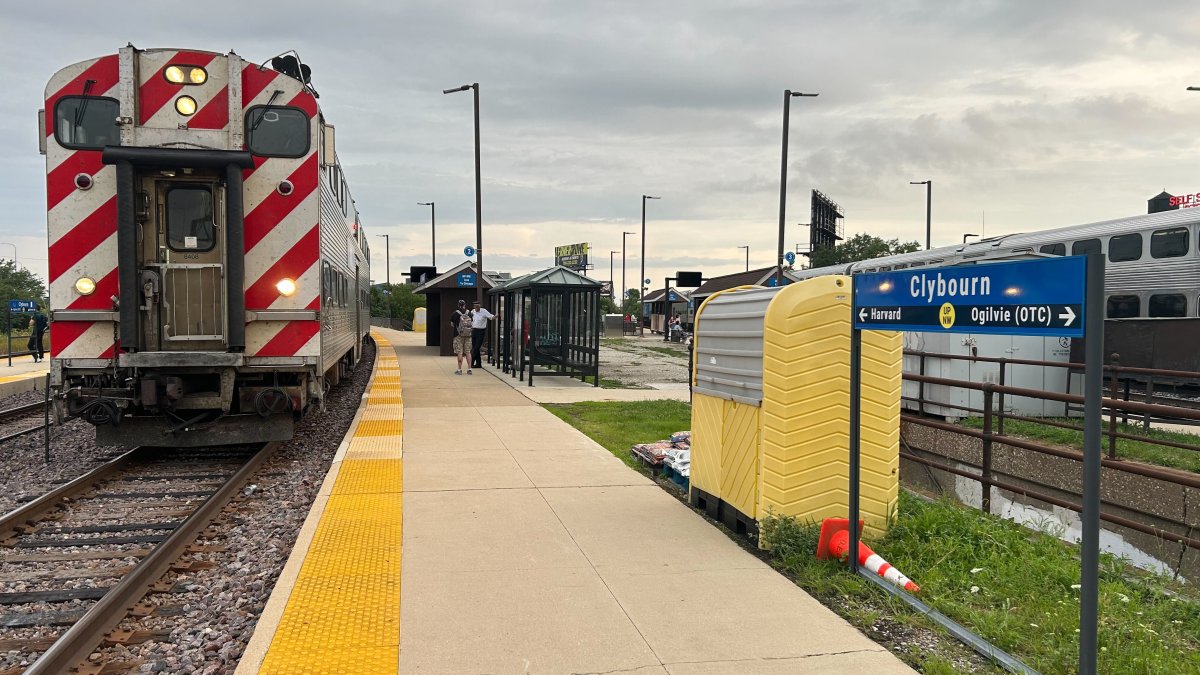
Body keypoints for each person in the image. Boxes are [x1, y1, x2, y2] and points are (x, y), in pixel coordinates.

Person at [470, 299, 495, 369]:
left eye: (478, 306)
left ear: (480, 306)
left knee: (476, 347)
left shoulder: (484, 311)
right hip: (474, 331)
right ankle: (478, 364)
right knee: (475, 347)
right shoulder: (472, 311)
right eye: (475, 306)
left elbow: (491, 317)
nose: (476, 308)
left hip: (481, 331)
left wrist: (495, 316)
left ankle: (471, 362)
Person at [450, 299, 473, 374]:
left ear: (458, 305)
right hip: (468, 335)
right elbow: (472, 323)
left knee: (459, 352)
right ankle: (469, 369)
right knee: (468, 352)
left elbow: (452, 324)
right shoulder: (469, 313)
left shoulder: (455, 313)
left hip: (458, 335)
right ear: (465, 305)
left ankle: (459, 369)